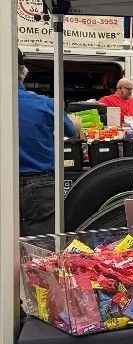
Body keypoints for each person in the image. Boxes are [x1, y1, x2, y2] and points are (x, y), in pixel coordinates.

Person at [17, 49, 81, 235]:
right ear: (23, 73)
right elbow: (71, 130)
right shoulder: (45, 104)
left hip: (4, 181)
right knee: (42, 249)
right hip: (40, 184)